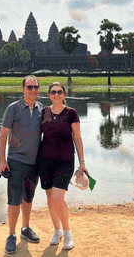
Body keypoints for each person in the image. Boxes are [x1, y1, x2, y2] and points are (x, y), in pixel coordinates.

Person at [37, 81, 89, 250]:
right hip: (45, 161)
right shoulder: (44, 112)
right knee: (50, 199)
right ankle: (56, 230)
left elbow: (78, 138)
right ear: (49, 95)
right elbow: (35, 135)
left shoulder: (71, 113)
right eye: (53, 92)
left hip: (65, 161)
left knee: (58, 198)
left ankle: (67, 232)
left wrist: (82, 163)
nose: (56, 94)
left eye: (60, 91)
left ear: (64, 94)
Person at [0, 75, 43, 254]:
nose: (33, 90)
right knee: (14, 200)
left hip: (34, 163)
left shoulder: (42, 109)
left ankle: (25, 228)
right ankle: (11, 235)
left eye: (36, 87)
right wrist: (2, 160)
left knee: (28, 198)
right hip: (16, 161)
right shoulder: (13, 109)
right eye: (29, 87)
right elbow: (3, 135)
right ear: (23, 89)